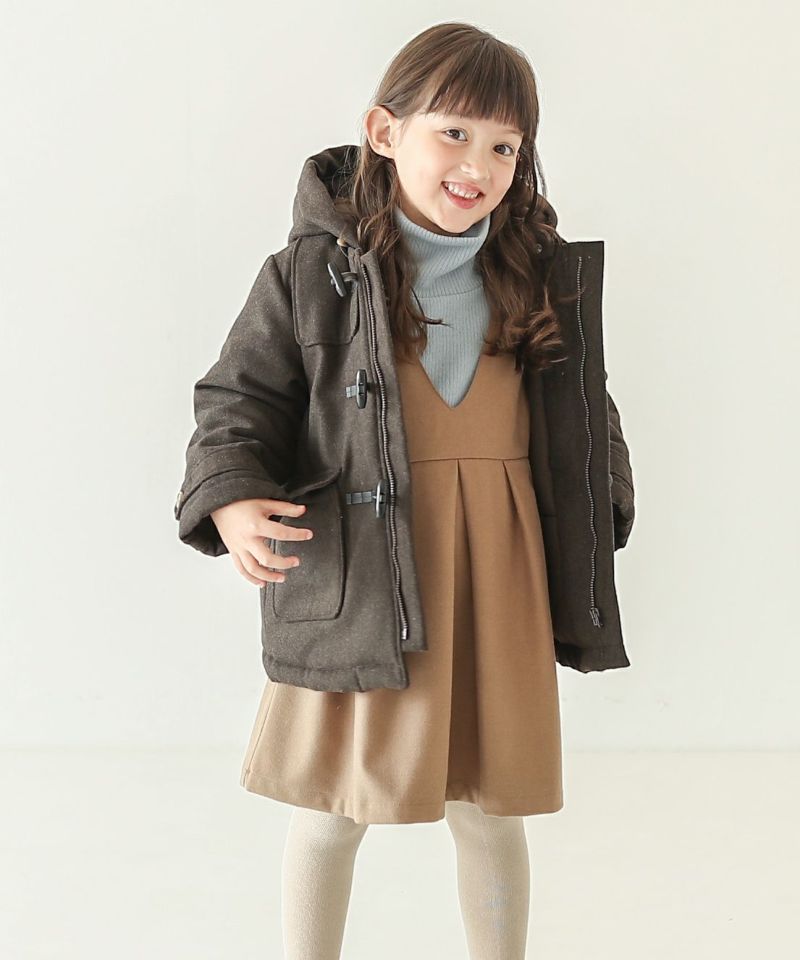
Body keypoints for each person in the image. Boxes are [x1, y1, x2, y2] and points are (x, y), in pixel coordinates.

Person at [174, 21, 635, 960]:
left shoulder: (535, 275)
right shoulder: (313, 277)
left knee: (492, 809)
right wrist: (229, 494)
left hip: (498, 573)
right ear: (385, 132)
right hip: (364, 574)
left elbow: (586, 410)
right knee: (333, 807)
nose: (479, 165)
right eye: (454, 133)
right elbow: (240, 396)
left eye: (505, 147)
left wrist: (604, 503)